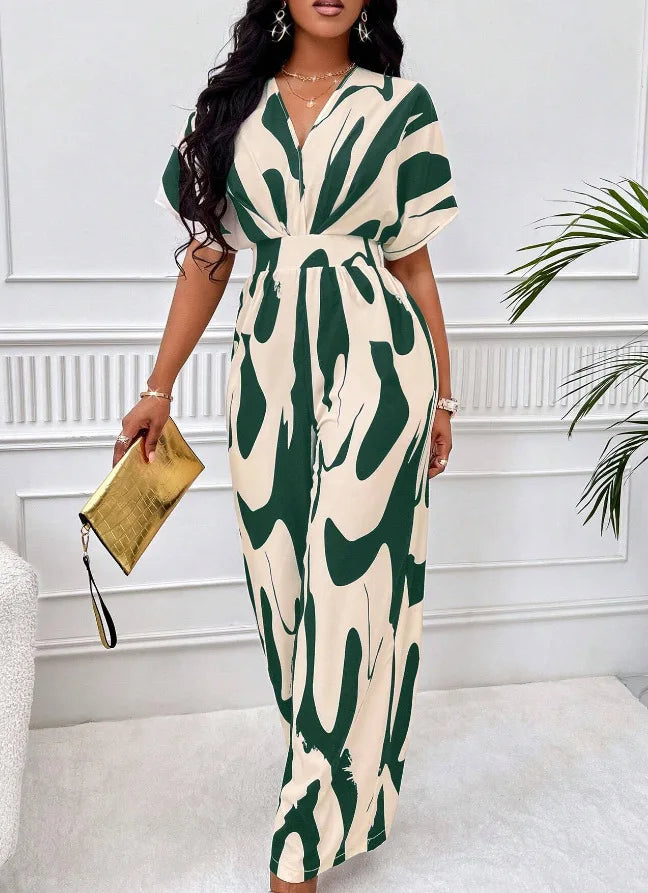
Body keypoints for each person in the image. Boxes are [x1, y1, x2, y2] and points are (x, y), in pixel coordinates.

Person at [115, 1, 460, 889]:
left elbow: (414, 263)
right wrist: (158, 388)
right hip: (265, 376)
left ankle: (301, 837)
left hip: (381, 371)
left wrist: (444, 397)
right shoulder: (235, 109)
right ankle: (335, 777)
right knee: (282, 589)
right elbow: (210, 259)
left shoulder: (401, 106)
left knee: (352, 583)